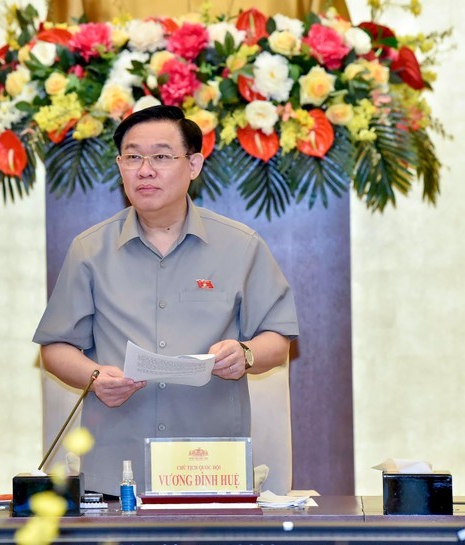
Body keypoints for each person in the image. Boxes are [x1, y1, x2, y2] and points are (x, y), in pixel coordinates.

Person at [33, 105, 298, 497]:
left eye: (160, 156)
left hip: (209, 468)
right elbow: (55, 346)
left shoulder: (241, 246)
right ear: (120, 166)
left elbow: (279, 337)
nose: (145, 170)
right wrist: (93, 377)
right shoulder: (89, 249)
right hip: (114, 466)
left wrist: (245, 354)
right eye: (132, 157)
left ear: (193, 164)